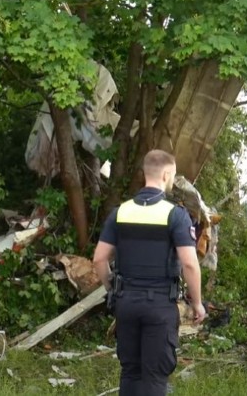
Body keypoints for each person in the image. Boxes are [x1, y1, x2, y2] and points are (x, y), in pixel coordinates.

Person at [93, 149, 206, 396]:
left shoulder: (120, 212)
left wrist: (113, 290)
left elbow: (100, 259)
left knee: (131, 371)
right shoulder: (175, 215)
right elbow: (189, 264)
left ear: (145, 173)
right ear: (166, 174)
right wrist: (197, 303)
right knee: (154, 375)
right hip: (159, 305)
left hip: (126, 303)